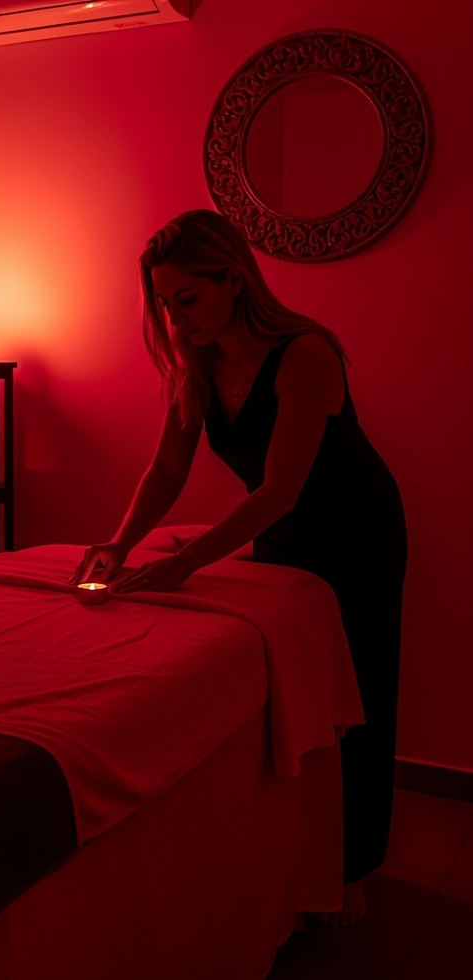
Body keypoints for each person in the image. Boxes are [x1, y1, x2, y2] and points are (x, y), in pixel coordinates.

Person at [70, 209, 407, 927]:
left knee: (359, 694)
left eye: (186, 299)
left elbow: (281, 488)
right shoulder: (197, 362)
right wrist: (121, 543)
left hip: (356, 536)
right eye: (164, 303)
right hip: (281, 532)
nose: (175, 317)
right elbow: (167, 470)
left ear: (233, 280)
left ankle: (352, 868)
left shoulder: (307, 353)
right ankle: (294, 841)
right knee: (296, 683)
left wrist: (186, 562)